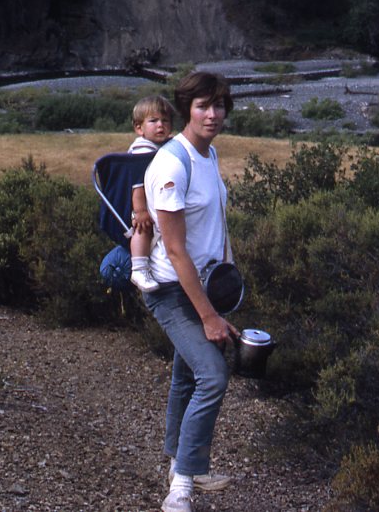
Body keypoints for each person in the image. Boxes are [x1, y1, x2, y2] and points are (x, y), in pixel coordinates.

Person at [143, 72, 240, 512]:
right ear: (187, 109)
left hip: (204, 287)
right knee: (212, 376)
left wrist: (228, 285)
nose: (213, 115)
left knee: (187, 376)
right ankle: (181, 487)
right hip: (172, 290)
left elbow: (214, 226)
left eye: (219, 106)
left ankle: (180, 463)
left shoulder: (209, 153)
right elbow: (176, 250)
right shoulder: (172, 163)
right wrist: (208, 316)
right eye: (203, 106)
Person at [128, 95, 176, 294]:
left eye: (165, 121)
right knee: (143, 229)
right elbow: (137, 185)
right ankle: (139, 268)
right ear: (139, 128)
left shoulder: (161, 146)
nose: (160, 125)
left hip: (155, 203)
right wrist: (140, 211)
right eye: (153, 121)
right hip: (141, 206)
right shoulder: (142, 150)